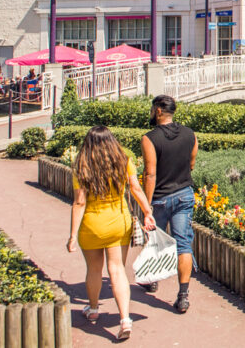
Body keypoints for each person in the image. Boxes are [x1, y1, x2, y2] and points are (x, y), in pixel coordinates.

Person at [68, 125, 155, 340]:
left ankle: (94, 308)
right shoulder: (123, 160)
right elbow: (135, 188)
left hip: (92, 225)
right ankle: (125, 319)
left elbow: (79, 202)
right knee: (117, 270)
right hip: (119, 222)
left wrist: (72, 235)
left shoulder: (82, 165)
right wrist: (147, 211)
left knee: (94, 270)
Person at [140, 95, 198, 313]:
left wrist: (146, 206)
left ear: (157, 111)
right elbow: (191, 163)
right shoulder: (190, 134)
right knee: (183, 243)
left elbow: (150, 174)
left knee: (156, 239)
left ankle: (152, 280)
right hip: (184, 194)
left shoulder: (149, 138)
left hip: (160, 197)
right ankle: (183, 295)